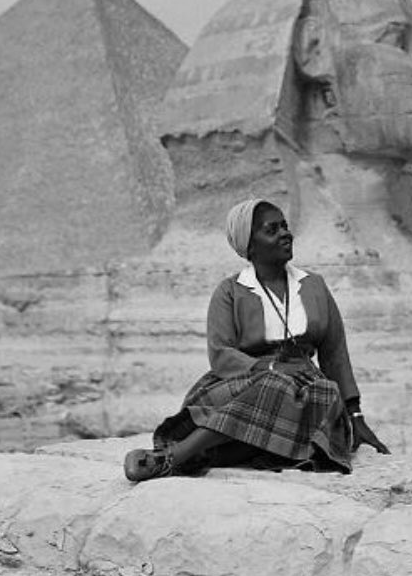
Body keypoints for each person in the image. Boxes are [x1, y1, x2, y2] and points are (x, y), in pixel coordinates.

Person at [124, 198, 389, 481]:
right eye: (272, 230)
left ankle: (177, 457)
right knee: (274, 385)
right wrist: (271, 369)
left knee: (316, 394)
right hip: (242, 381)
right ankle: (179, 456)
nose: (285, 233)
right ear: (249, 246)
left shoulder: (314, 286)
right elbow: (220, 353)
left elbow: (335, 354)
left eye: (285, 226)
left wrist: (356, 418)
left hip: (307, 392)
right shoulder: (230, 291)